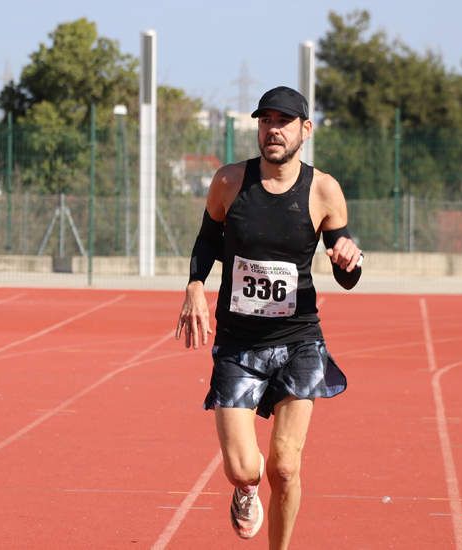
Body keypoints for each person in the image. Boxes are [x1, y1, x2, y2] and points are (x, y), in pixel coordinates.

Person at [175, 86, 363, 549]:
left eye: (283, 121)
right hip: (239, 344)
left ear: (305, 129)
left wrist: (349, 260)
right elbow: (206, 242)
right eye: (265, 121)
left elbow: (348, 272)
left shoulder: (323, 190)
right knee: (243, 468)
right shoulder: (229, 181)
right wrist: (195, 285)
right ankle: (244, 489)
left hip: (299, 339)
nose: (273, 130)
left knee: (285, 464)